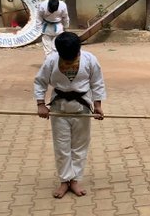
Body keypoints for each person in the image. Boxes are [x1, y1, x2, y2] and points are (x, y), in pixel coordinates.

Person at [34, 32, 106, 198]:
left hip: (82, 107)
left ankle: (75, 179)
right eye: (65, 57)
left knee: (80, 145)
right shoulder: (51, 60)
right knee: (62, 146)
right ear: (58, 52)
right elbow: (40, 81)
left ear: (79, 50)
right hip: (59, 108)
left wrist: (98, 106)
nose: (69, 60)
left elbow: (97, 82)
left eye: (72, 57)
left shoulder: (90, 60)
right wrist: (40, 104)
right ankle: (64, 180)